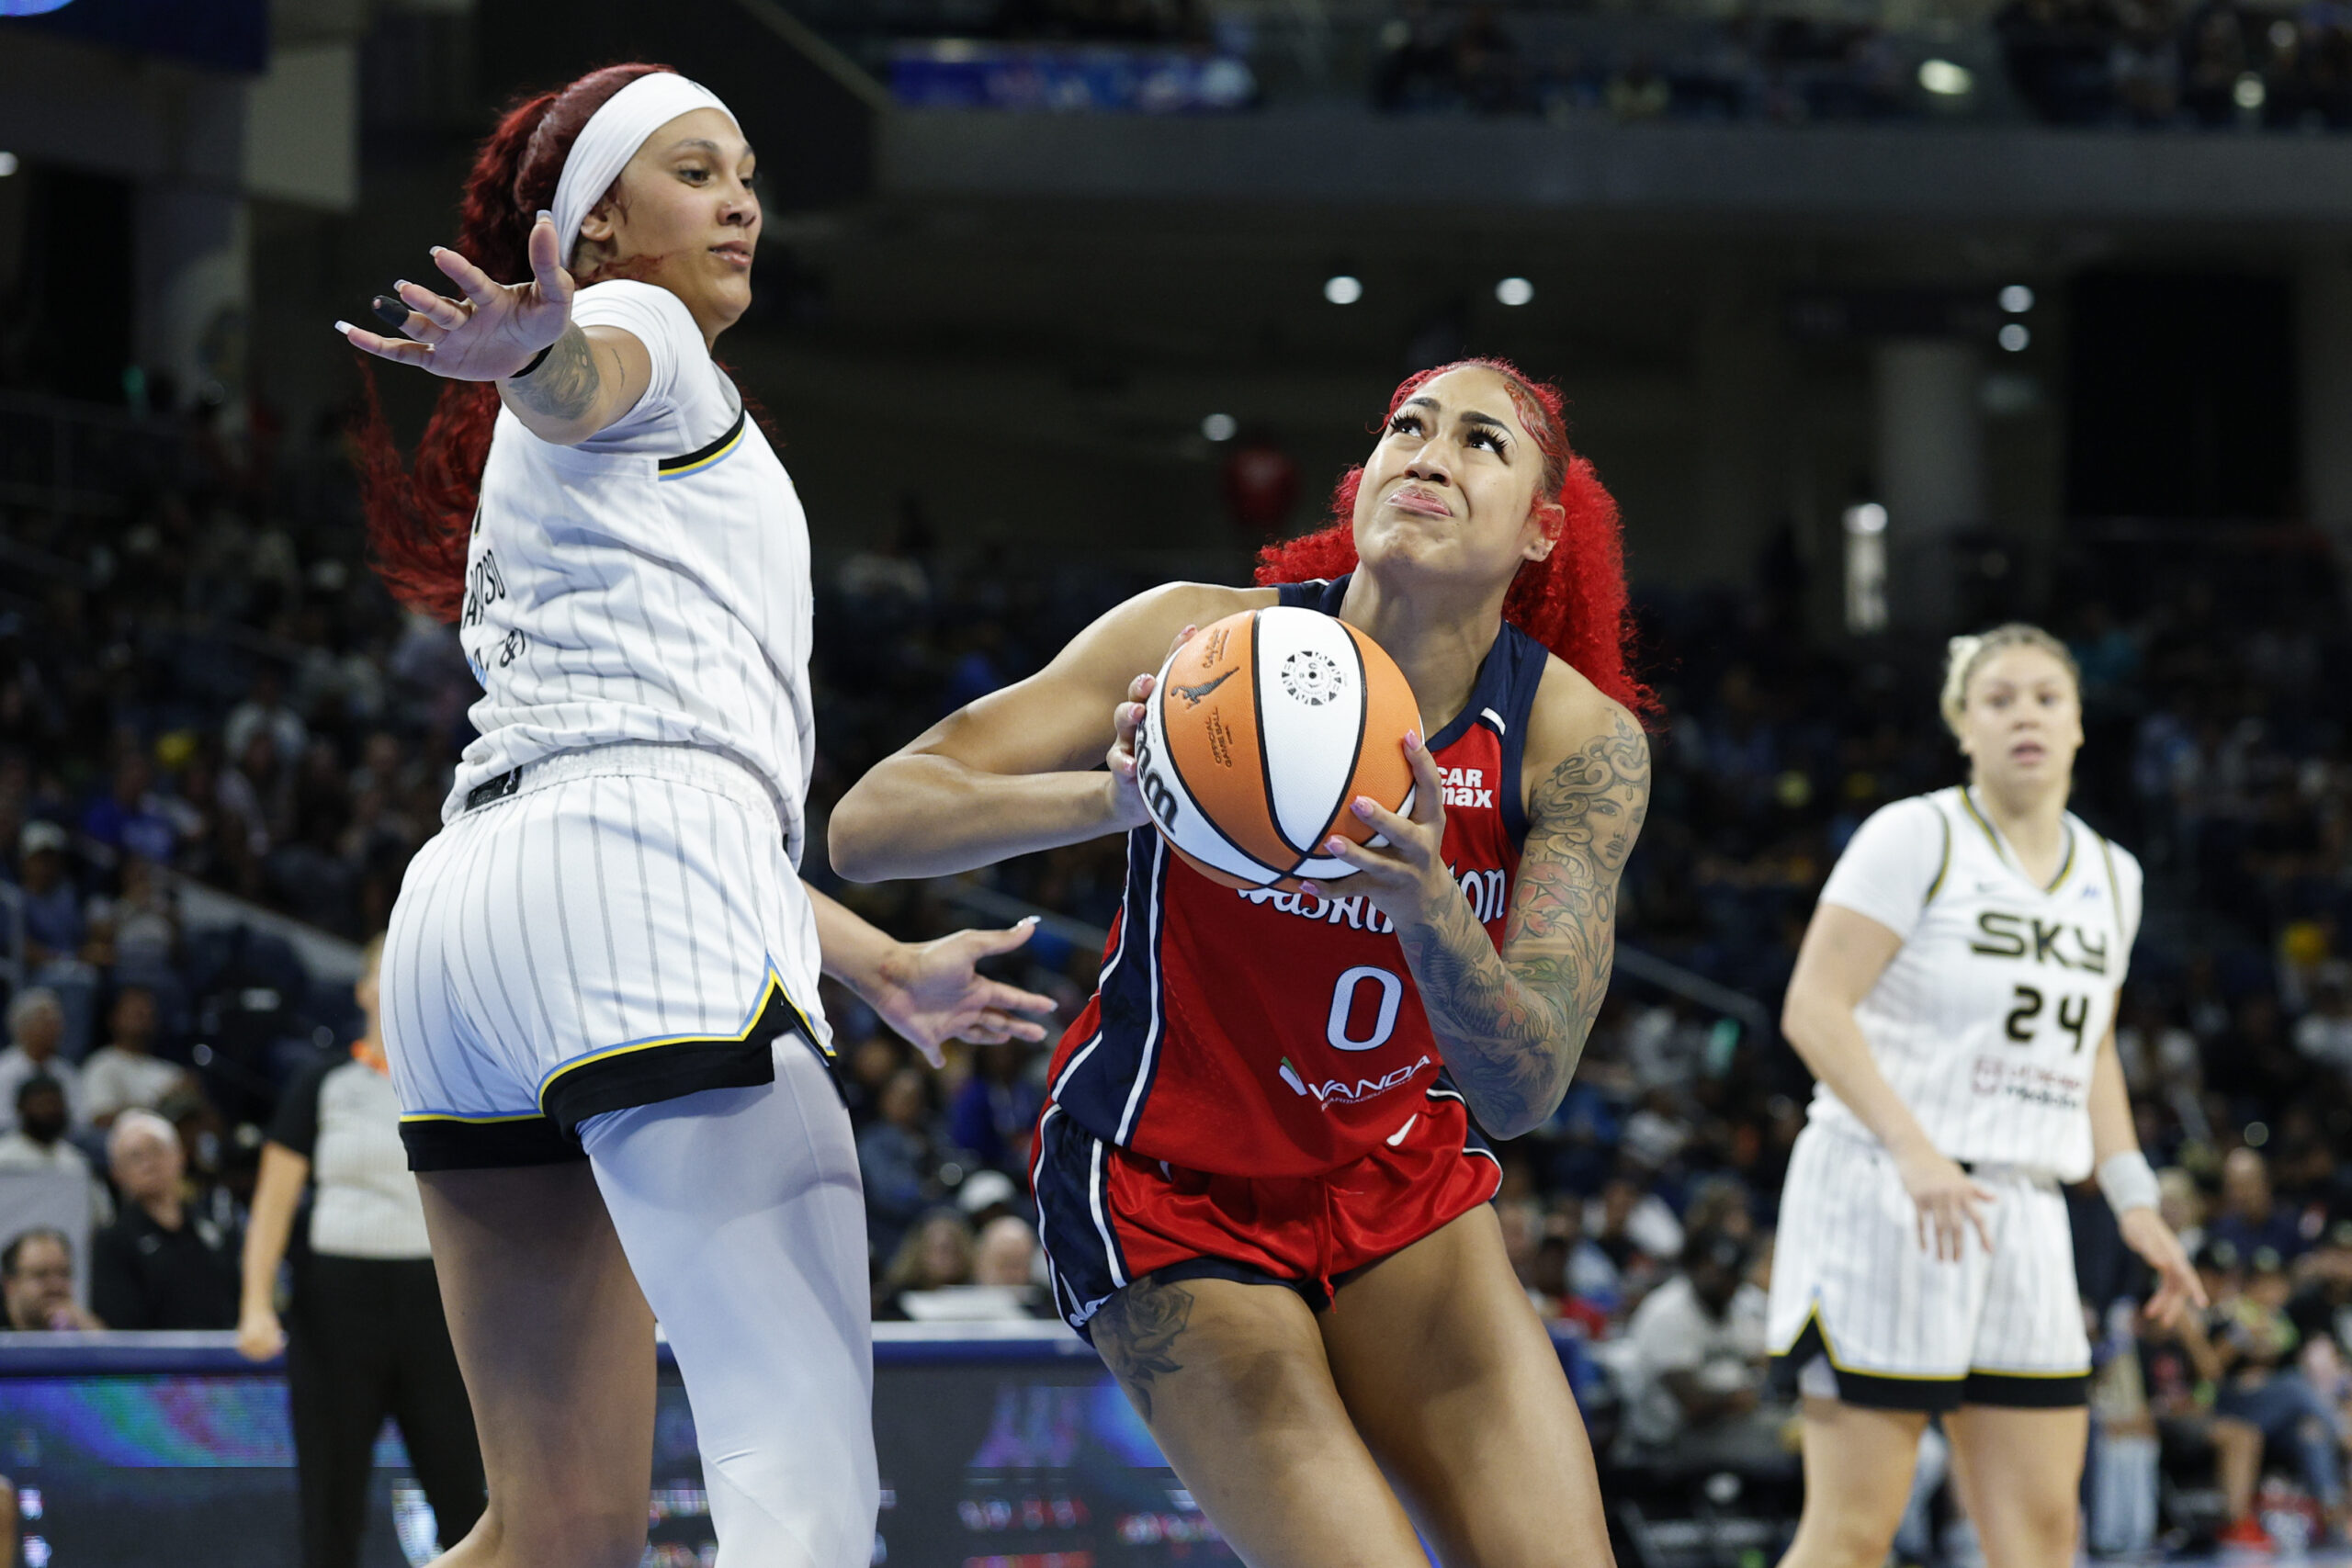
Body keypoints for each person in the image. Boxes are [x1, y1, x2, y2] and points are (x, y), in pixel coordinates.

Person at [341, 63, 1055, 1568]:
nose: (738, 197)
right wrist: (539, 354)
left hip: (470, 924)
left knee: (555, 1533)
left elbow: (656, 779)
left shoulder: (595, 455)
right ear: (596, 220)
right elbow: (587, 367)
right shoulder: (646, 337)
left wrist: (881, 962)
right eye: (693, 171)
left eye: (744, 170)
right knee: (795, 1481)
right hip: (628, 891)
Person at [833, 356, 1649, 1566]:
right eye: (1407, 426)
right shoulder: (1199, 642)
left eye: (1481, 440)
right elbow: (868, 823)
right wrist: (1120, 795)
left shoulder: (1576, 740)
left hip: (1394, 1178)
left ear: (1542, 527)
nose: (1428, 451)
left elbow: (1522, 1092)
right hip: (1167, 1179)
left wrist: (1429, 903)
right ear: (1362, 477)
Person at [1768, 624, 2202, 1568]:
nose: (2024, 716)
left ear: (2080, 724)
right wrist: (1914, 1150)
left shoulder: (2113, 876)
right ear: (1962, 725)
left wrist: (2135, 1202)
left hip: (2025, 1209)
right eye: (1997, 699)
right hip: (1885, 1188)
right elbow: (1812, 1007)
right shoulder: (1914, 835)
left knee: (2044, 1533)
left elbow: (2090, 1051)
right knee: (1852, 1530)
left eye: (2046, 697)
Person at [237, 937, 486, 1568]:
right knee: (331, 1504)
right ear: (363, 988)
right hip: (335, 1309)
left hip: (439, 1305)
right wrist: (256, 1304)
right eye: (384, 968)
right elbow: (272, 1203)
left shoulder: (461, 1076)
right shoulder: (323, 1081)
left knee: (467, 1500)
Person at [1619, 1228, 1783, 1469]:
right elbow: (1692, 1404)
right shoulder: (1668, 1311)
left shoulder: (1734, 1306)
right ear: (1694, 1266)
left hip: (1723, 1428)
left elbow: (1763, 1357)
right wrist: (1740, 1397)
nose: (1722, 1282)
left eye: (1729, 1276)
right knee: (1780, 1450)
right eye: (1714, 1271)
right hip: (1669, 1442)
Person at [90, 1110, 239, 1329]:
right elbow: (119, 1323)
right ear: (117, 1173)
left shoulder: (215, 1229)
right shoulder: (112, 1241)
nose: (148, 1163)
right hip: (152, 1361)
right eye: (135, 1156)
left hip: (220, 1357)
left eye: (156, 1150)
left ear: (181, 1156)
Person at [0, 1075, 111, 1226]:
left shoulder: (76, 1162)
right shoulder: (3, 1159)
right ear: (21, 1108)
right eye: (41, 1104)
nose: (49, 1111)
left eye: (55, 1104)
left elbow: (102, 1216)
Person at [79, 986, 190, 1129]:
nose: (142, 1018)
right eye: (135, 1013)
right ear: (113, 1019)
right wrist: (163, 1106)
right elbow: (101, 1120)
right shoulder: (101, 1064)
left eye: (148, 1014)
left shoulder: (172, 1072)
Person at [0, 988, 83, 1134]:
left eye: (56, 1023)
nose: (54, 1029)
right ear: (23, 1027)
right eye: (45, 1023)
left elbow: (79, 1120)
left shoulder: (65, 1072)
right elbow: (4, 1121)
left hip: (60, 1143)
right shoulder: (4, 1070)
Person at [0, 1227, 102, 1331]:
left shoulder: (74, 1329)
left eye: (64, 1274)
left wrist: (91, 1333)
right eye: (41, 1275)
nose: (56, 1286)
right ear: (10, 1285)